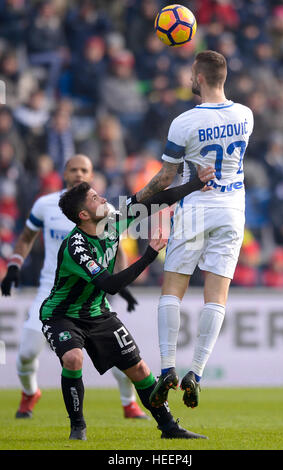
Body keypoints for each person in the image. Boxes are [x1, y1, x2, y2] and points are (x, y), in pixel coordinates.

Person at [39, 167, 214, 440]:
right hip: (62, 316)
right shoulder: (76, 246)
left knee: (141, 370)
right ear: (84, 215)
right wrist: (148, 256)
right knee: (73, 359)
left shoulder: (111, 221)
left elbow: (155, 202)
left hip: (97, 312)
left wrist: (194, 184)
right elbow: (110, 285)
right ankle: (78, 427)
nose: (103, 199)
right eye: (95, 199)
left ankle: (169, 428)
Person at [135, 50, 254, 409]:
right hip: (232, 211)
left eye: (191, 73)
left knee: (172, 289)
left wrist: (136, 201)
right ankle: (196, 373)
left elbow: (166, 177)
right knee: (216, 296)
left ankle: (168, 368)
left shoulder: (184, 122)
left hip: (196, 210)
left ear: (199, 78)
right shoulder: (246, 115)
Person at [1, 154, 148, 420]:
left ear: (91, 175)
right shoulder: (45, 205)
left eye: (85, 170)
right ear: (64, 173)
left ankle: (129, 403)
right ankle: (30, 393)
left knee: (122, 355)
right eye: (74, 169)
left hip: (93, 293)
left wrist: (122, 283)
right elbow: (25, 238)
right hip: (52, 292)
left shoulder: (103, 210)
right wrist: (14, 266)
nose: (79, 174)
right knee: (25, 354)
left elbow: (115, 247)